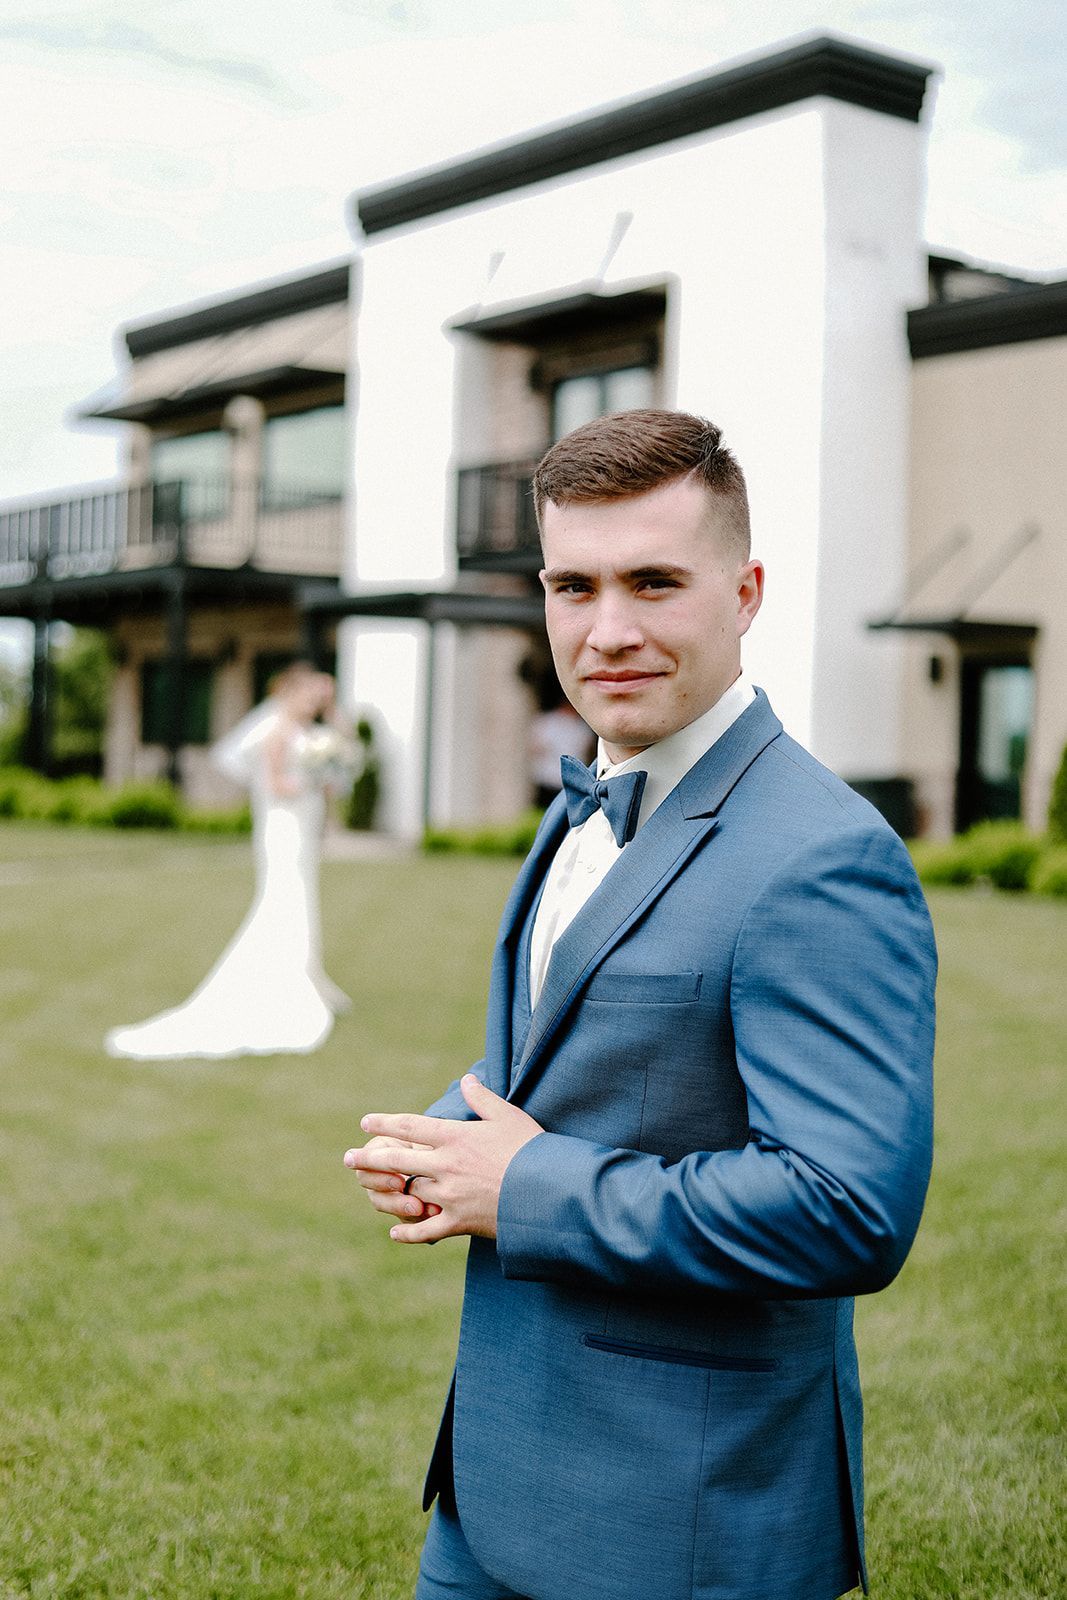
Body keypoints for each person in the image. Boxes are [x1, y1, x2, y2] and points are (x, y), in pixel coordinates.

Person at [345, 410, 936, 1600]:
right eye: (573, 585)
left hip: (680, 1518)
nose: (605, 630)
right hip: (488, 1486)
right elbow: (593, 1049)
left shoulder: (822, 856)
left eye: (653, 582)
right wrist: (449, 1137)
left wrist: (524, 1186)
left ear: (745, 590)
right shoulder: (589, 793)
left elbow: (844, 1210)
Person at [106, 662, 350, 1060]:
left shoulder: (310, 733)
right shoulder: (275, 733)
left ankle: (306, 972)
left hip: (304, 828)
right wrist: (311, 777)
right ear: (289, 693)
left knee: (301, 900)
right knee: (283, 898)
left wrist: (332, 710)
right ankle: (279, 980)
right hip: (284, 828)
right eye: (308, 695)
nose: (313, 702)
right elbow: (275, 785)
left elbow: (344, 744)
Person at [527, 693, 593, 810]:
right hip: (548, 777)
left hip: (570, 780)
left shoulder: (581, 727)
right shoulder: (548, 722)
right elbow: (536, 748)